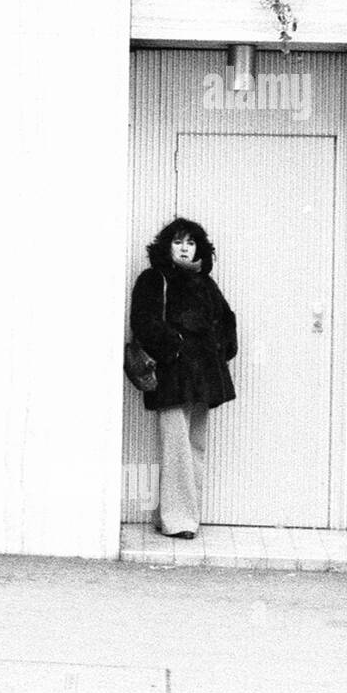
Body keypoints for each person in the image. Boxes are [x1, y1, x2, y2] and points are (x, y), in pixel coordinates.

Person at [129, 217, 238, 540]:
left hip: (203, 378)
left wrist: (221, 349)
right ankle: (178, 520)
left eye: (190, 243)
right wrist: (174, 349)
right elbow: (143, 322)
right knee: (176, 450)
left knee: (195, 449)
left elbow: (226, 320)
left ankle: (183, 517)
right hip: (172, 378)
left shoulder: (205, 282)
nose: (185, 248)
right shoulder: (153, 278)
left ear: (199, 248)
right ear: (166, 246)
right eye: (178, 242)